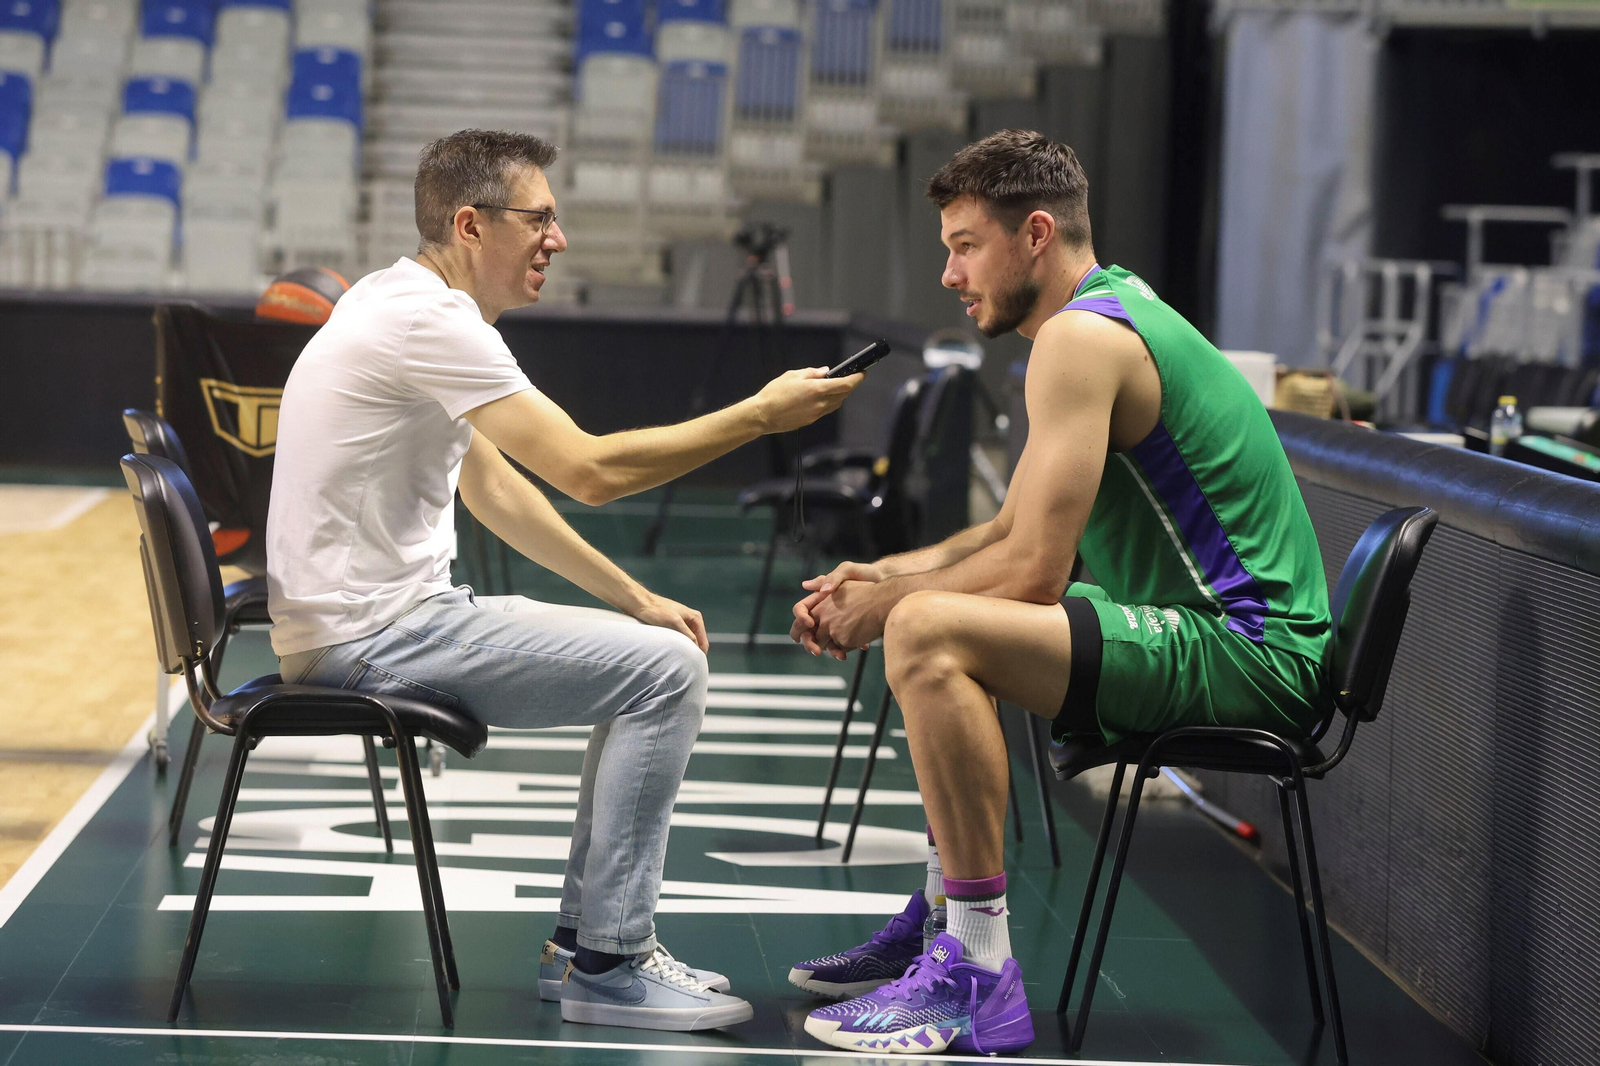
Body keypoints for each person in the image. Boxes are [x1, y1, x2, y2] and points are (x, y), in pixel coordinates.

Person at [265, 129, 862, 1032]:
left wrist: (635, 597)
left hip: (370, 623)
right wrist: (758, 416)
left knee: (652, 651)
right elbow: (587, 471)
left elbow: (498, 486)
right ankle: (610, 962)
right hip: (372, 637)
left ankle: (584, 945)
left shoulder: (399, 302)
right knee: (669, 674)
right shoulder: (429, 319)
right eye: (538, 218)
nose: (559, 237)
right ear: (470, 224)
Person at [786, 129, 1334, 1055]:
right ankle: (943, 922)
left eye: (965, 246)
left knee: (928, 634)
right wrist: (885, 573)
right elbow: (1007, 530)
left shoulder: (1082, 339)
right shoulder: (1102, 316)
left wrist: (890, 611)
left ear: (1035, 232)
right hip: (1219, 638)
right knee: (928, 613)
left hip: (1252, 652)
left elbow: (1037, 574)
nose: (951, 275)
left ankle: (978, 971)